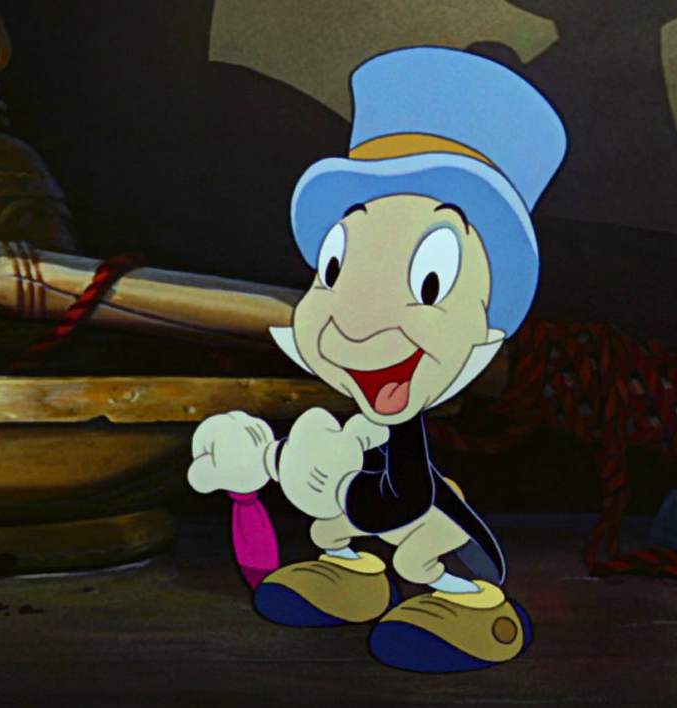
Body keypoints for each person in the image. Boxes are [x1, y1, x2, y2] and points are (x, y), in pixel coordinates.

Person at [188, 46, 566, 672]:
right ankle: (354, 574)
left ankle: (474, 605)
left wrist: (332, 482)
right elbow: (331, 464)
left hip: (434, 529)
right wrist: (260, 459)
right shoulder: (365, 417)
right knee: (329, 529)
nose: (355, 324)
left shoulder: (406, 428)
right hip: (370, 507)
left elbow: (403, 498)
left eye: (428, 280)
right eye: (334, 269)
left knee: (410, 552)